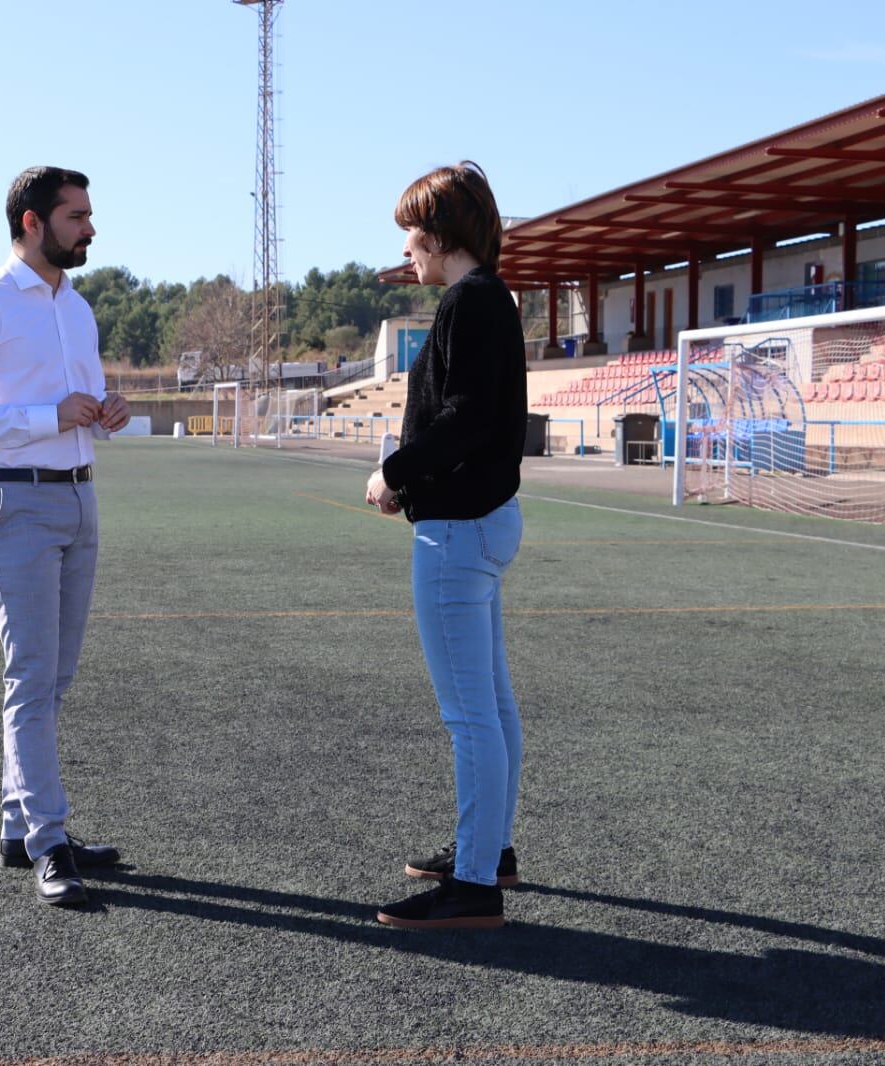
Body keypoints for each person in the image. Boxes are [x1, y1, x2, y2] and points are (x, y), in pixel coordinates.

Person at [0, 166, 131, 908]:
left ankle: (19, 827)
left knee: (55, 676)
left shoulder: (76, 308)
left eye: (88, 214)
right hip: (13, 503)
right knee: (32, 675)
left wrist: (103, 410)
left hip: (78, 499)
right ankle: (50, 841)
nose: (90, 227)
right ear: (30, 223)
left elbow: (77, 401)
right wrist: (49, 417)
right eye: (77, 215)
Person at [365, 161, 527, 930]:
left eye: (412, 235)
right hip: (482, 521)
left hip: (458, 530)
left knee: (471, 714)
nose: (408, 252)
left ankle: (474, 883)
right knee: (490, 703)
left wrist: (393, 473)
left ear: (439, 233)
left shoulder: (472, 301)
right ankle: (487, 852)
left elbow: (462, 419)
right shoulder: (487, 299)